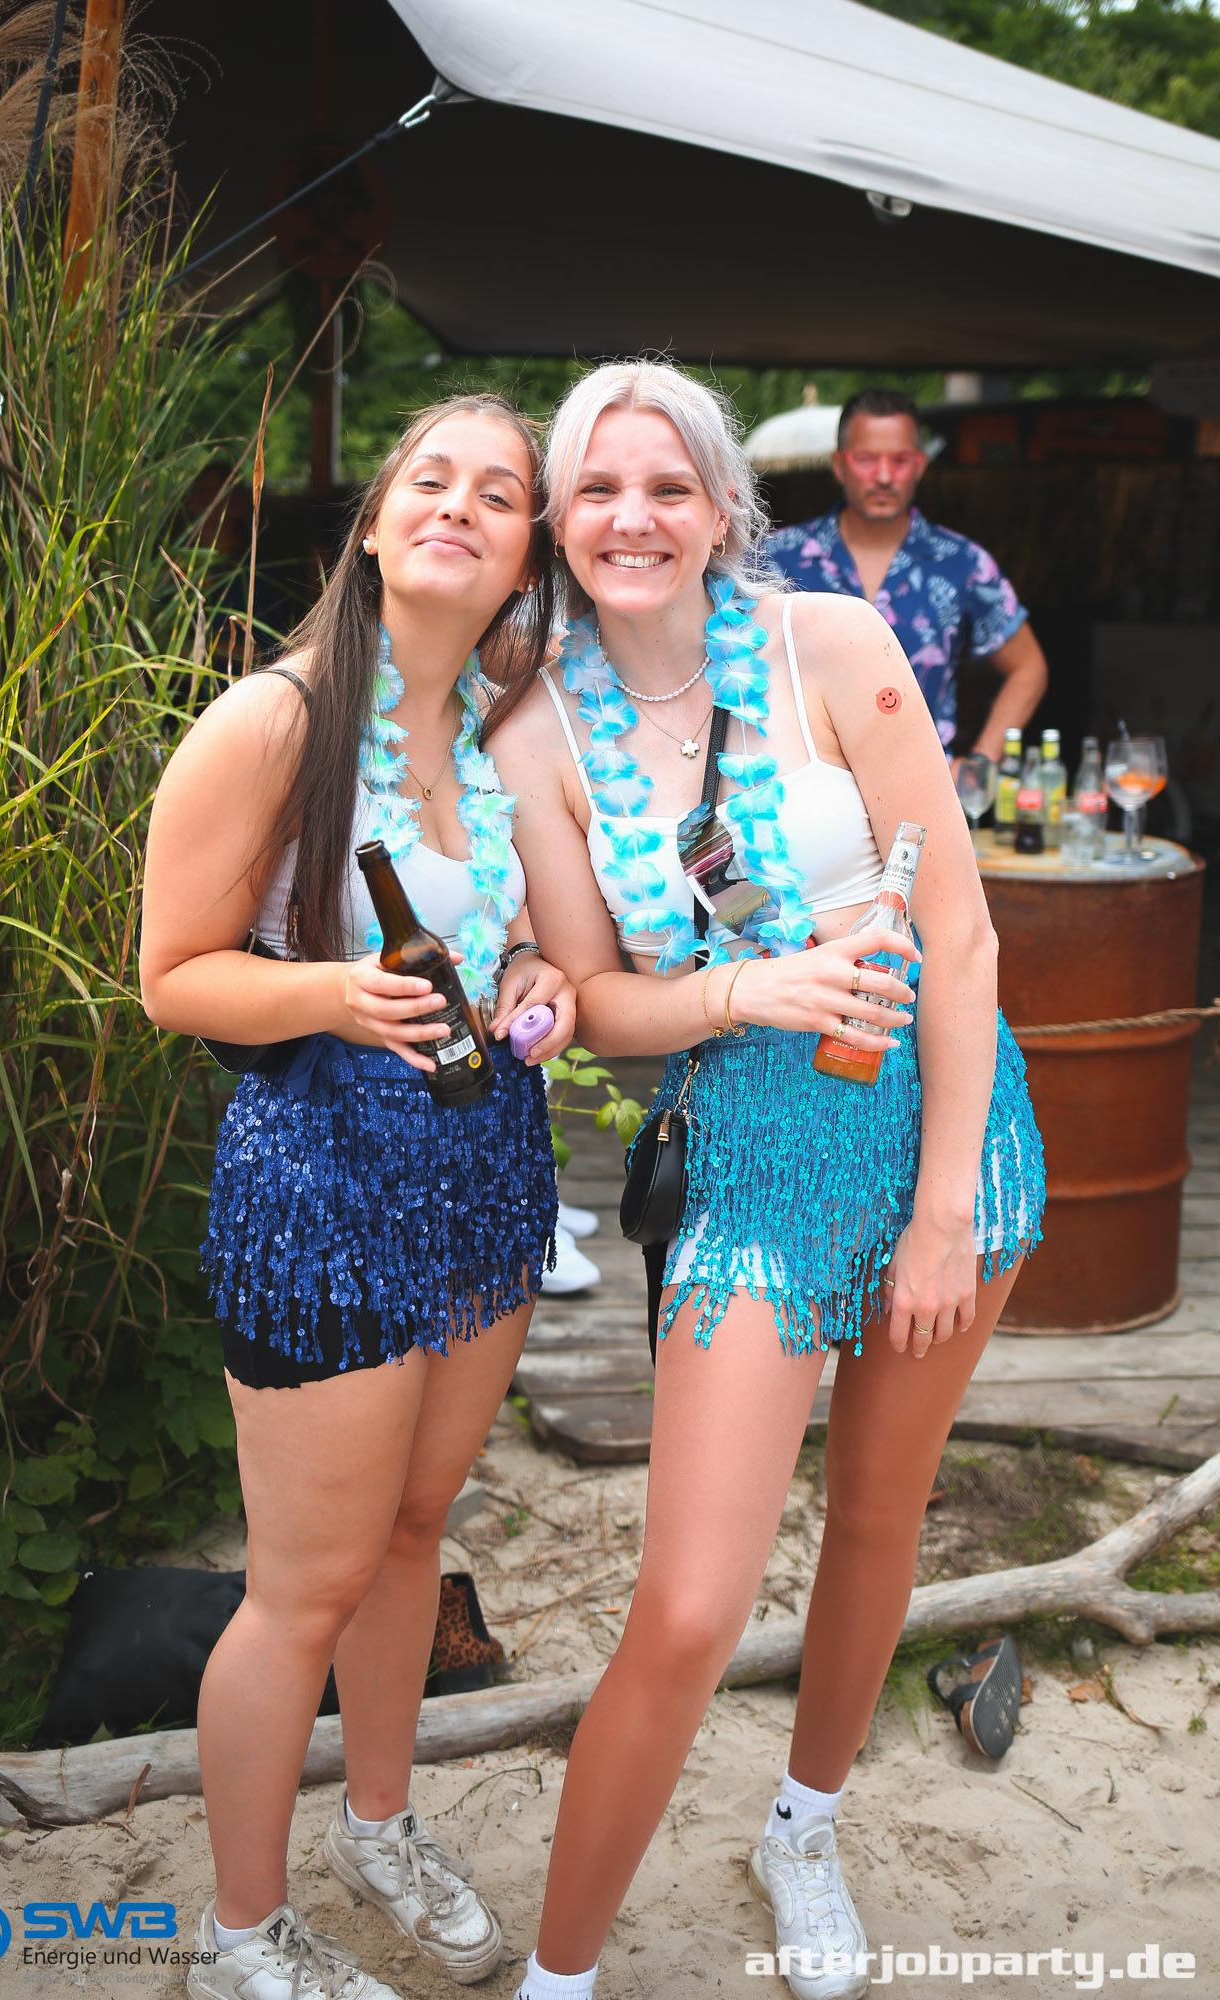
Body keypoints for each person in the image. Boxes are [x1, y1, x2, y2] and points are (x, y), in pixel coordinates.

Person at [489, 362, 1045, 2000]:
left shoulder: (830, 645)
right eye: (598, 488)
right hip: (749, 1152)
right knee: (686, 1608)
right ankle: (559, 1979)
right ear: (559, 519)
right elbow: (600, 1001)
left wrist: (941, 1210)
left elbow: (959, 932)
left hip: (946, 1120)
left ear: (724, 507)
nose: (632, 516)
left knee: (876, 1514)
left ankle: (803, 1830)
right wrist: (744, 990)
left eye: (666, 485)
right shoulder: (538, 731)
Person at [140, 395, 576, 2000]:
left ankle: (377, 1827)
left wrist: (532, 977)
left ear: (524, 552)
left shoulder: (497, 732)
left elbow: (507, 930)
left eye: (499, 492)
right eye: (430, 480)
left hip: (483, 1184)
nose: (460, 504)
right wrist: (332, 995)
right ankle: (237, 1935)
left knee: (409, 1533)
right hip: (320, 1192)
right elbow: (171, 977)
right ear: (378, 527)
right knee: (301, 1587)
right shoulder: (275, 721)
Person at [755, 388, 1047, 762]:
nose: (883, 476)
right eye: (866, 459)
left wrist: (981, 762)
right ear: (839, 465)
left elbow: (1028, 668)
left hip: (923, 780)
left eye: (900, 460)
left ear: (921, 465)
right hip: (803, 781)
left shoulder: (962, 562)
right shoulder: (775, 558)